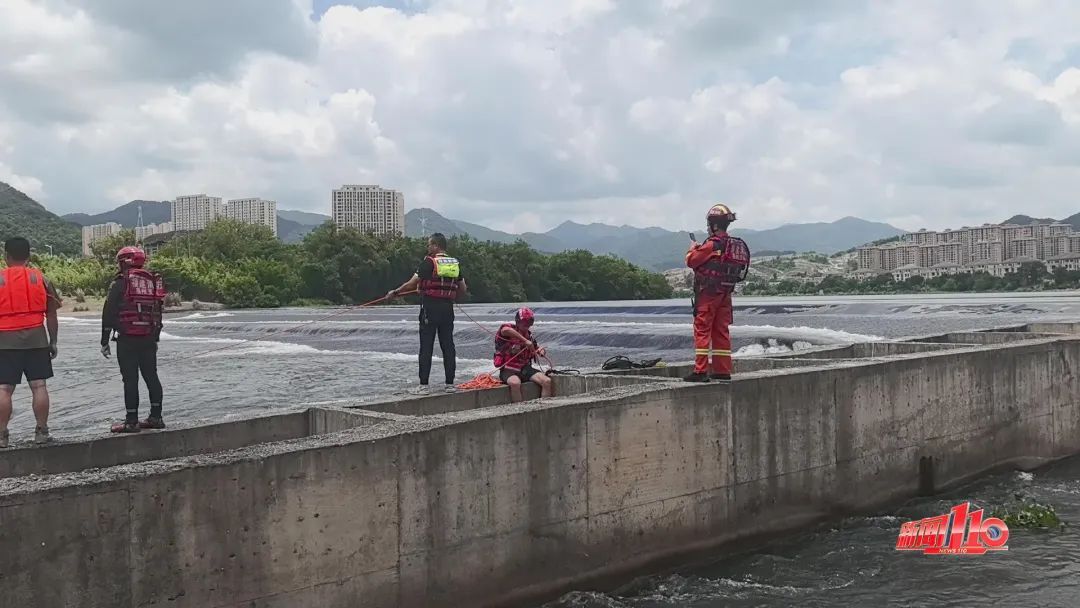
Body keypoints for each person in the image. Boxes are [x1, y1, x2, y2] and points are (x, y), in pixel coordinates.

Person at [387, 233, 468, 394]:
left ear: (436, 246)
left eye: (429, 244)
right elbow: (463, 288)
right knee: (448, 346)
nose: (427, 247)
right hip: (447, 309)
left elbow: (412, 283)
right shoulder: (454, 263)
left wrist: (395, 292)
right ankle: (450, 385)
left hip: (430, 309)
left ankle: (424, 386)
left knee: (426, 347)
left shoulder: (428, 262)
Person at [0, 237, 60, 447]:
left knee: (4, 389)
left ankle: (2, 436)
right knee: (39, 385)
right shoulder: (41, 278)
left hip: (4, 341)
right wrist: (52, 342)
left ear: (6, 256)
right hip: (36, 338)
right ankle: (42, 432)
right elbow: (51, 315)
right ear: (29, 256)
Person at [101, 246, 167, 433]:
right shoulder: (152, 281)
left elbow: (109, 313)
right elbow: (158, 312)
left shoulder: (120, 283)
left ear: (123, 262)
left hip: (127, 338)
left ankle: (131, 421)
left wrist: (104, 341)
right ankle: (156, 417)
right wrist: (154, 336)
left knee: (130, 379)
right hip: (149, 338)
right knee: (151, 376)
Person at [684, 203, 751, 383]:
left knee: (702, 329)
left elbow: (691, 261)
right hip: (725, 294)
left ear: (713, 225)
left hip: (708, 294)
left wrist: (693, 248)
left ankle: (700, 371)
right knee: (721, 331)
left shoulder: (713, 244)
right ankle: (722, 370)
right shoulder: (733, 245)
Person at [495, 307, 553, 402]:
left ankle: (544, 408)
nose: (527, 325)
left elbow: (536, 347)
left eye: (529, 322)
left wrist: (541, 351)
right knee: (515, 383)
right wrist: (524, 341)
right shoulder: (508, 330)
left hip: (525, 369)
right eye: (524, 322)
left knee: (547, 381)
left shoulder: (529, 336)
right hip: (509, 370)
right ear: (518, 321)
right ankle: (520, 410)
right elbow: (505, 330)